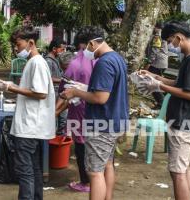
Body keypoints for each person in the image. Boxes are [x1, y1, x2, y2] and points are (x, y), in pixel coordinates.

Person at [140, 21, 190, 200]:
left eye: (171, 41)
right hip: (185, 120)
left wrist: (159, 85)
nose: (171, 45)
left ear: (179, 37)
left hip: (183, 121)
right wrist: (155, 78)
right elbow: (180, 84)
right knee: (183, 169)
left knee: (177, 172)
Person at [61, 26, 129, 200]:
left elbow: (100, 97)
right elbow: (106, 91)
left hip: (102, 123)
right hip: (114, 120)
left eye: (84, 49)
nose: (84, 54)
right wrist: (85, 88)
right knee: (107, 165)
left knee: (94, 172)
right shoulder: (117, 58)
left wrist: (75, 92)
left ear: (92, 44)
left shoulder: (104, 62)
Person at [0, 26, 56, 200]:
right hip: (31, 125)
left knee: (25, 170)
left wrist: (11, 87)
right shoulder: (34, 62)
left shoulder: (37, 63)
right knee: (33, 168)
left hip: (30, 126)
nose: (15, 48)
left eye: (18, 44)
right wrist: (9, 86)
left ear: (31, 42)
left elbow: (40, 93)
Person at [56, 29, 95, 193]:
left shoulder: (76, 63)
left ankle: (85, 182)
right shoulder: (100, 59)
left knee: (80, 145)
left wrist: (55, 112)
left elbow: (63, 93)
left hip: (79, 110)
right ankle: (97, 180)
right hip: (98, 109)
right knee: (96, 146)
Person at [45, 38, 67, 135]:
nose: (63, 52)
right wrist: (63, 80)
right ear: (54, 49)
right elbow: (48, 78)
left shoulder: (56, 60)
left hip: (59, 93)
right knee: (56, 118)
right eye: (62, 49)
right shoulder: (48, 61)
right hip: (54, 92)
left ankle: (59, 139)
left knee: (62, 118)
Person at [145, 22, 168, 108]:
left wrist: (149, 63)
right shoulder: (162, 35)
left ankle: (162, 103)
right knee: (154, 82)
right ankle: (162, 101)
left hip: (157, 63)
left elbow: (155, 50)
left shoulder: (158, 36)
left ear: (156, 27)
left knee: (152, 83)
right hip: (161, 63)